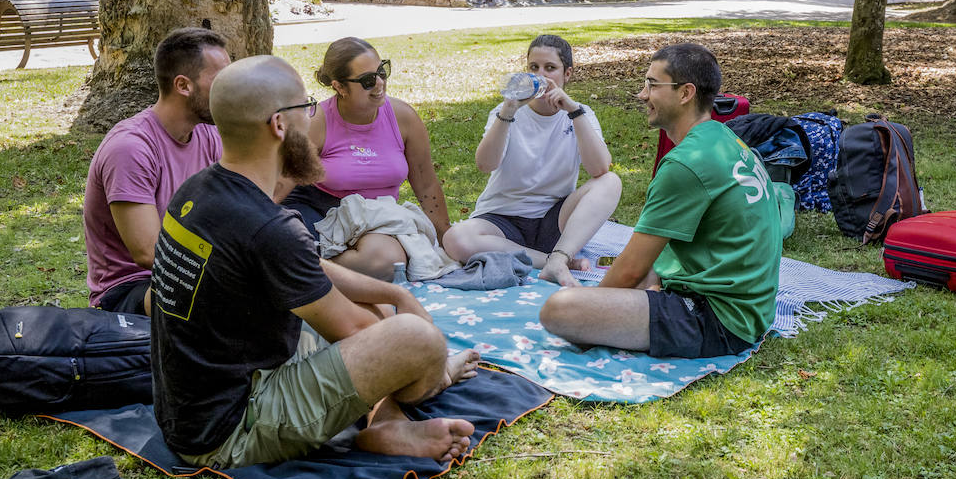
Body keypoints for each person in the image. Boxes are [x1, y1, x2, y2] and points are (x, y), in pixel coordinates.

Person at [149, 54, 479, 468]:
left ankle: (384, 422)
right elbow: (360, 332)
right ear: (279, 125)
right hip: (232, 430)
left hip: (193, 410)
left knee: (371, 305)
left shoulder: (200, 189)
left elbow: (310, 269)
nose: (314, 115)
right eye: (307, 106)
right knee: (417, 339)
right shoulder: (267, 226)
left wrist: (393, 292)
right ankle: (428, 384)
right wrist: (433, 367)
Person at [539, 43, 782, 357]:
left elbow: (629, 271)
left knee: (559, 309)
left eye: (652, 85)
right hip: (750, 306)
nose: (642, 95)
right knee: (648, 271)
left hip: (721, 321)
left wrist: (593, 310)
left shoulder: (686, 164)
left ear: (685, 93)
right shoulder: (724, 138)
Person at [442, 34, 622, 287]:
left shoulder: (580, 113)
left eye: (550, 68)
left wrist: (573, 112)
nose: (540, 75)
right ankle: (555, 260)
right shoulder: (504, 112)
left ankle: (559, 254)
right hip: (502, 221)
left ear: (567, 74)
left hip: (554, 220)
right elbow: (485, 165)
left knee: (611, 181)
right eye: (533, 68)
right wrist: (508, 110)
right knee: (455, 239)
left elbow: (599, 168)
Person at [83, 27, 231, 315]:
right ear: (183, 85)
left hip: (192, 270)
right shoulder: (131, 148)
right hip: (131, 290)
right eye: (221, 81)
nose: (231, 90)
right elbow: (149, 252)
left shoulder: (208, 135)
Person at [281, 38, 450, 280]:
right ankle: (305, 261)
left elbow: (426, 184)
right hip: (320, 211)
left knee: (388, 263)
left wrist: (445, 237)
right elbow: (282, 179)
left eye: (382, 71)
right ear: (339, 87)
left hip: (375, 215)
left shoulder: (404, 117)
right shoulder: (317, 121)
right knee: (287, 241)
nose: (380, 83)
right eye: (368, 80)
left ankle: (307, 264)